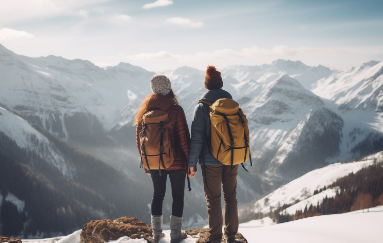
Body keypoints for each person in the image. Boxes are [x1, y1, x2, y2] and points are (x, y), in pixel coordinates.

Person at [134, 74, 190, 243]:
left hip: (154, 162)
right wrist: (190, 162)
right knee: (178, 197)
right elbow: (183, 139)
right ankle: (175, 235)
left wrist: (146, 162)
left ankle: (156, 234)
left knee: (157, 195)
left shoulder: (145, 111)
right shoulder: (175, 109)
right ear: (168, 87)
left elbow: (139, 140)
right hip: (177, 162)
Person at [188, 66, 239, 243]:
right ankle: (231, 236)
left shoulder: (202, 107)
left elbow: (197, 138)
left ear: (207, 86)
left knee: (214, 200)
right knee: (231, 197)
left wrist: (191, 163)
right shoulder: (232, 104)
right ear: (221, 84)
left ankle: (216, 238)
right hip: (232, 157)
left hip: (211, 161)